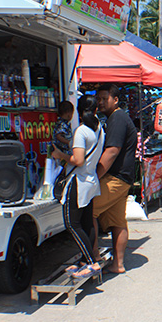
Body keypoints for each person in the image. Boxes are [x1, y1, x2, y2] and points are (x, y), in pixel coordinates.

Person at [52, 95, 105, 279]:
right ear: (96, 110)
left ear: (79, 112)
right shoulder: (99, 129)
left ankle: (91, 262)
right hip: (90, 181)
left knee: (72, 224)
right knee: (86, 222)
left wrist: (60, 155)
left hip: (78, 181)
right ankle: (86, 260)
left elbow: (78, 160)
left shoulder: (81, 131)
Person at [94, 84, 137, 274]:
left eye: (105, 98)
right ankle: (118, 264)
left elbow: (112, 151)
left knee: (88, 211)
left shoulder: (117, 118)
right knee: (118, 221)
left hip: (115, 177)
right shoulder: (118, 117)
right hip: (123, 177)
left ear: (116, 99)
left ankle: (93, 258)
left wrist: (96, 176)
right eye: (99, 99)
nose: (101, 102)